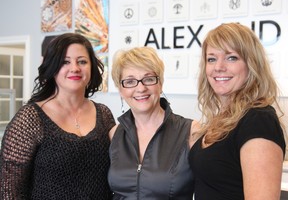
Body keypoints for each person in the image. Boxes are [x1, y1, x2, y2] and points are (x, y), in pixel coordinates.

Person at [0, 33, 116, 199]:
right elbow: (9, 191)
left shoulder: (103, 114)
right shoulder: (30, 119)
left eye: (82, 61)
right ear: (53, 67)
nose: (75, 68)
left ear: (91, 67)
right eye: (65, 62)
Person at [189, 23, 286, 200]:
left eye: (231, 58)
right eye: (211, 59)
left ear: (252, 64)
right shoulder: (222, 118)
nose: (218, 67)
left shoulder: (258, 120)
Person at [108, 46, 196, 199]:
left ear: (160, 84)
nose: (141, 88)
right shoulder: (114, 134)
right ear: (121, 90)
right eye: (130, 81)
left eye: (148, 79)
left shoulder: (191, 131)